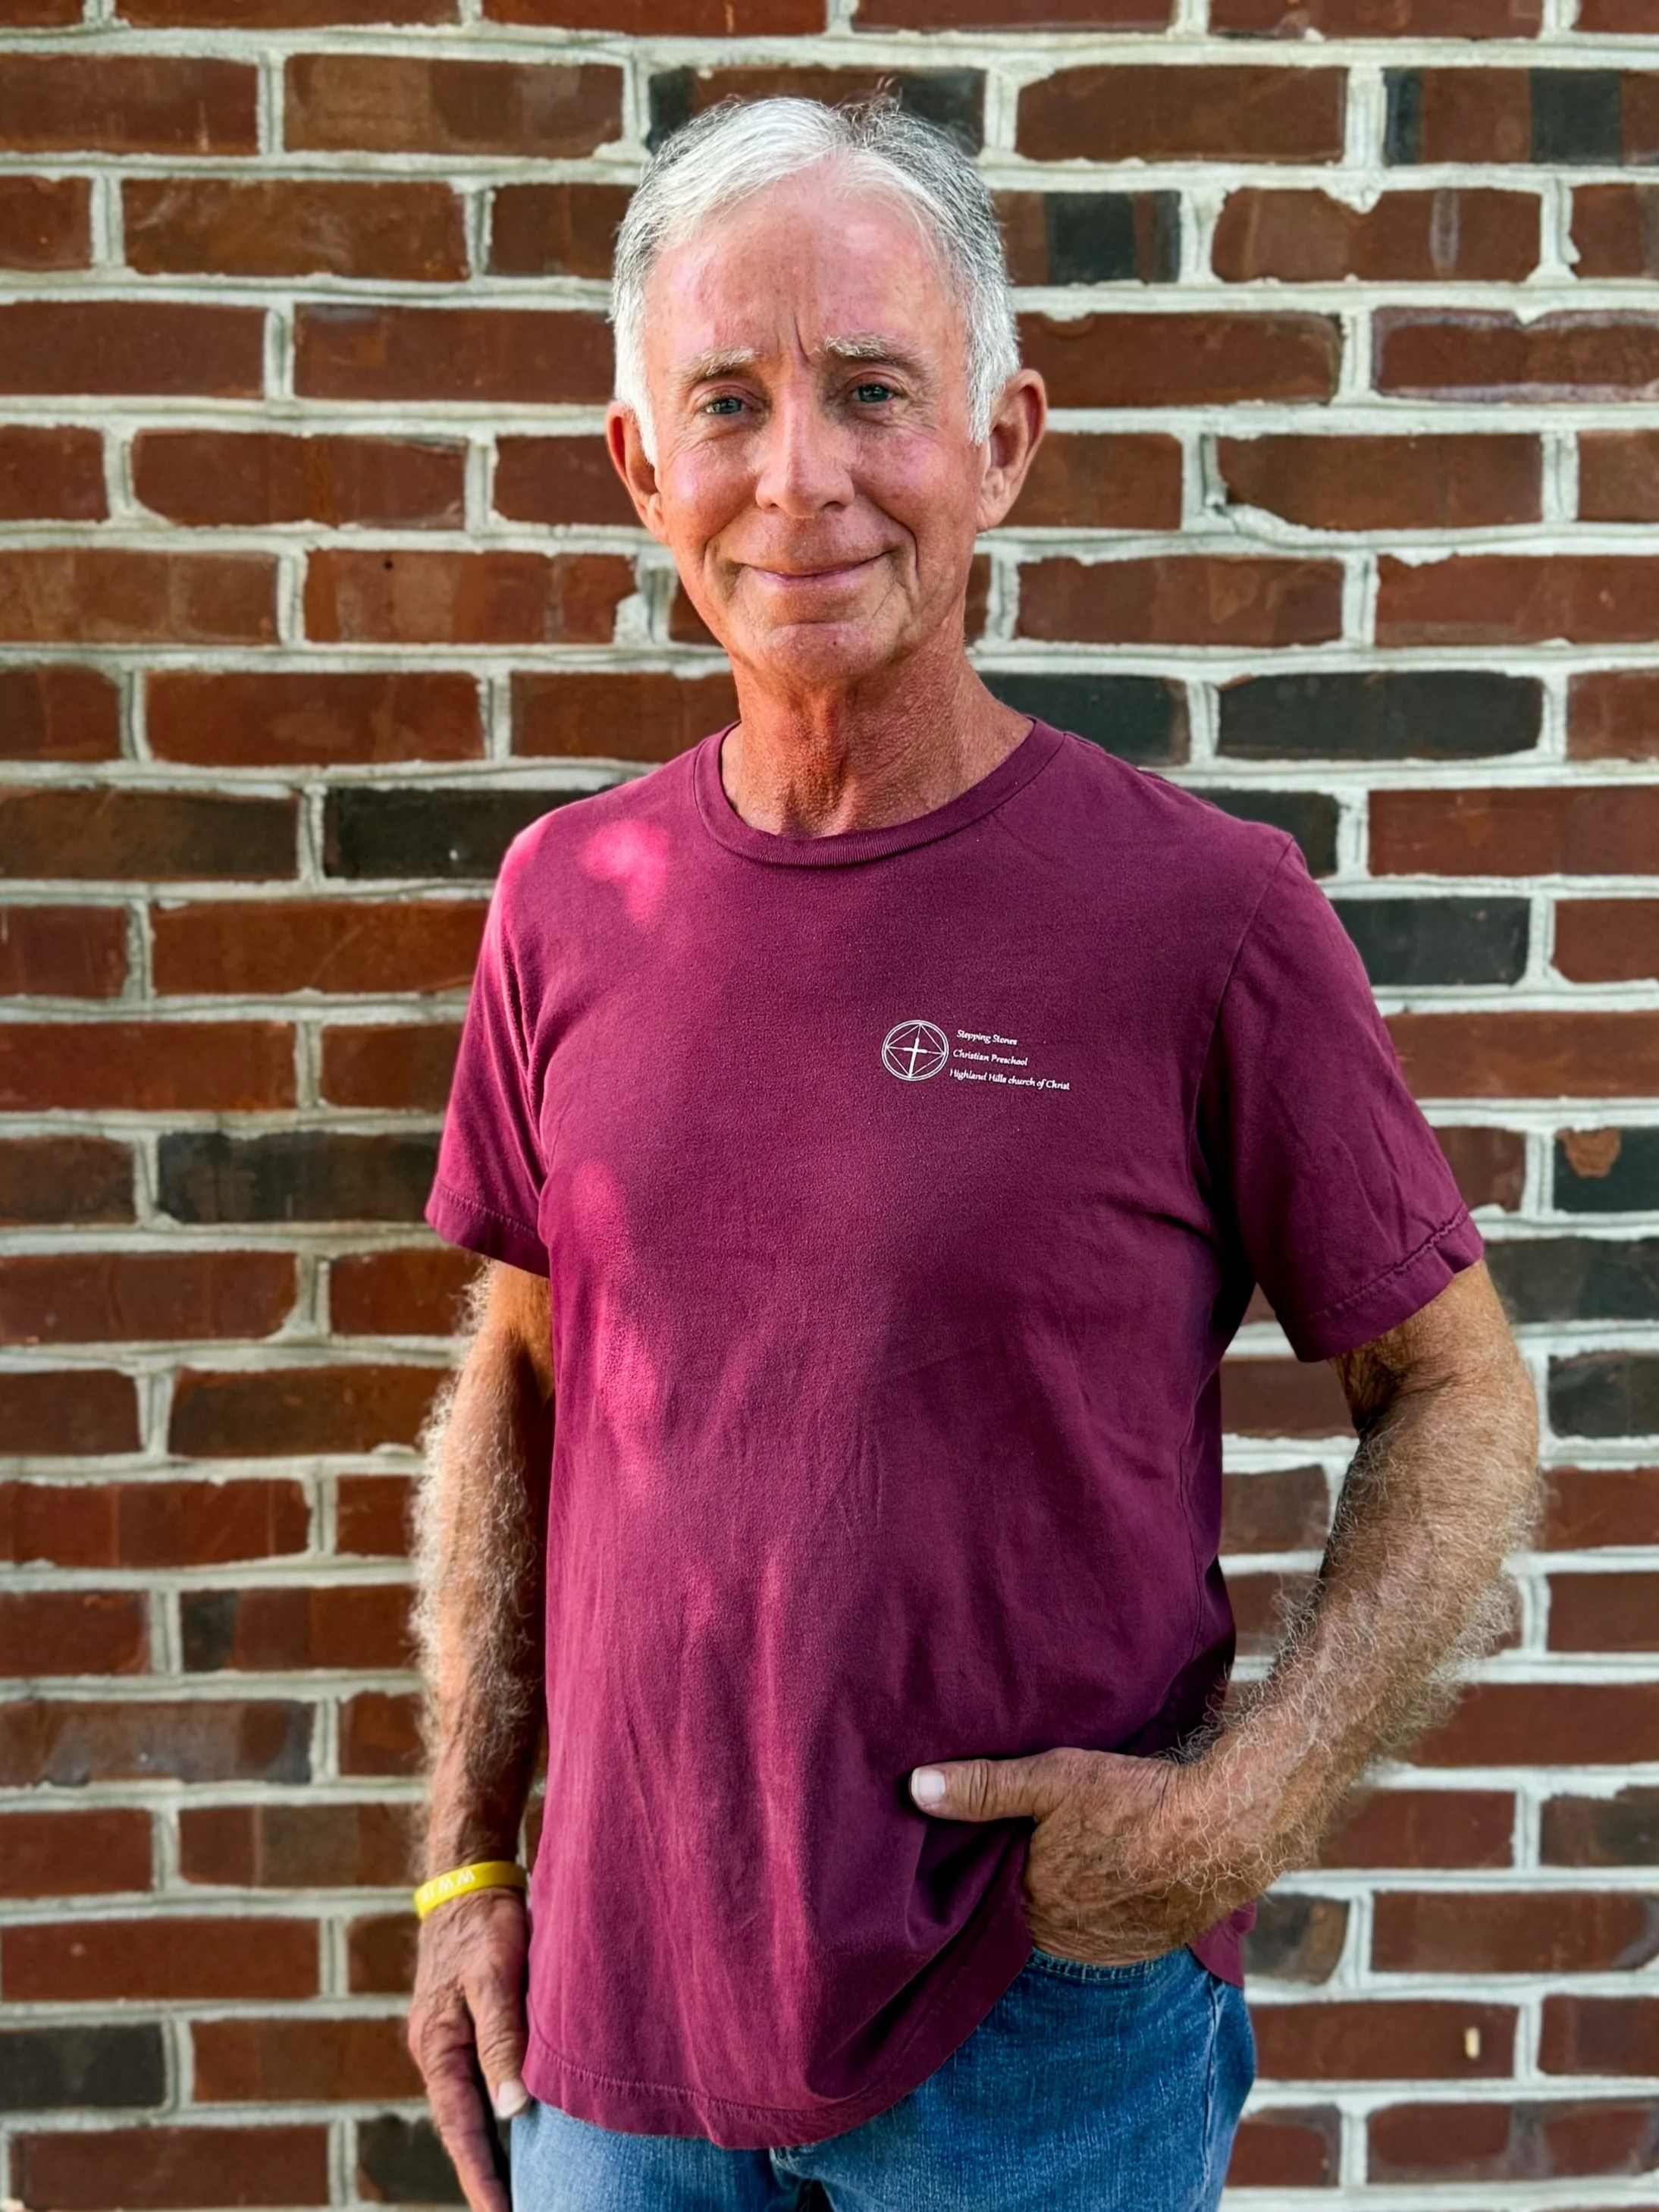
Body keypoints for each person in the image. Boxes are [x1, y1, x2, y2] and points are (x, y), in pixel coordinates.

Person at [406, 95, 1539, 2212]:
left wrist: (1245, 1809)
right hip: (621, 2033)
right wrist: (473, 1851)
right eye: (727, 402)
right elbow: (522, 1377)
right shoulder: (569, 897)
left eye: (871, 393)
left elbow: (1459, 1387)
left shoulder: (1198, 916)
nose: (799, 475)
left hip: (1034, 2039)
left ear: (1001, 440)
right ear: (640, 462)